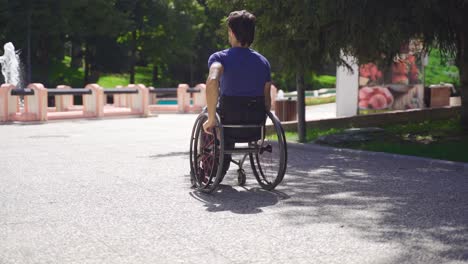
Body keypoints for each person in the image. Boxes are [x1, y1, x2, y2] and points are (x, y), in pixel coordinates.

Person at [203, 10, 272, 176]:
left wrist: (211, 118)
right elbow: (267, 100)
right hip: (254, 127)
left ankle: (206, 170)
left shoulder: (220, 58)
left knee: (207, 113)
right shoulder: (263, 62)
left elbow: (212, 81)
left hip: (226, 126)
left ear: (231, 33)